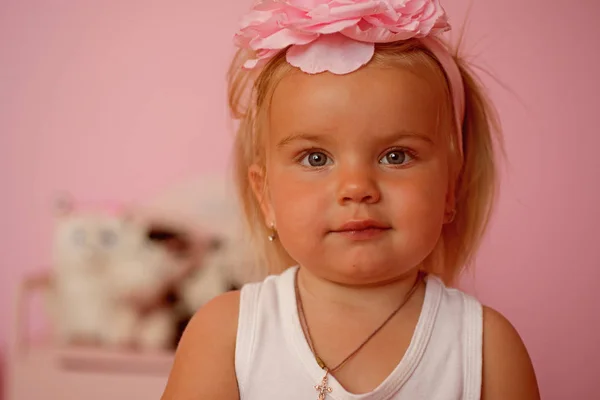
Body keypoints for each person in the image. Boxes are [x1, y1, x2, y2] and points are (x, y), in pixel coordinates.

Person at [161, 1, 540, 399]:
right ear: (265, 195)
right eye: (316, 158)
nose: (357, 187)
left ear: (450, 189)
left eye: (396, 156)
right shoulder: (229, 335)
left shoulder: (485, 348)